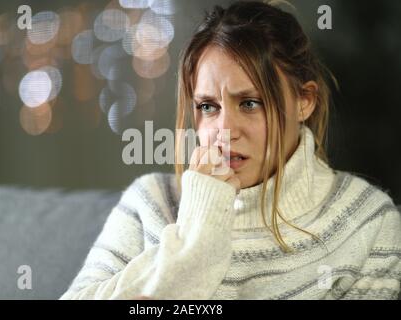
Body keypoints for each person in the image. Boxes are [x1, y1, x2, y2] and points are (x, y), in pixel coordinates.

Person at [60, 0, 401, 299]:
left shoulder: (369, 221)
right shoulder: (149, 202)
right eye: (208, 106)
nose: (224, 131)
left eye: (250, 103)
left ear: (304, 101)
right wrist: (198, 230)